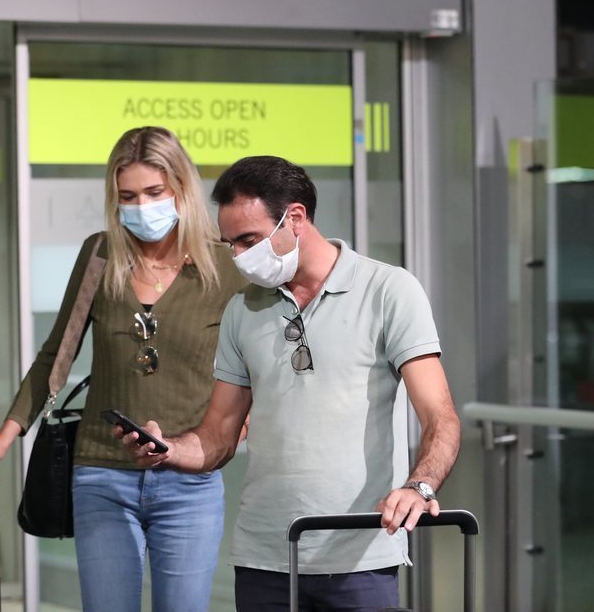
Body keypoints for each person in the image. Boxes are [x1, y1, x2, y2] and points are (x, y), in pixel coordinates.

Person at [122, 156, 461, 611]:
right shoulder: (242, 310)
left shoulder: (388, 291)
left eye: (249, 240)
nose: (240, 257)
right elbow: (217, 437)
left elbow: (440, 417)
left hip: (360, 554)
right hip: (265, 559)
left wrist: (419, 487)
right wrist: (168, 450)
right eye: (232, 245)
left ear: (295, 218)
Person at [0, 126, 246, 612]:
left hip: (190, 480)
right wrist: (4, 438)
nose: (142, 206)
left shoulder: (225, 266)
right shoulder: (100, 254)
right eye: (128, 196)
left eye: (155, 192)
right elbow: (57, 354)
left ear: (182, 187)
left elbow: (258, 363)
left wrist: (240, 430)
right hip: (100, 473)